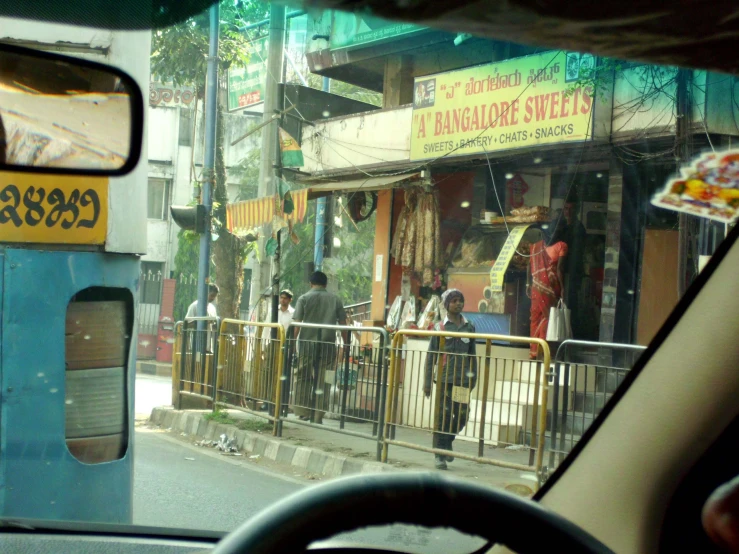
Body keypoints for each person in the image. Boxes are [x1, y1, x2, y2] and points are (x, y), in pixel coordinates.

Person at [423, 289, 478, 470]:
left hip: (462, 381)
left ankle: (447, 442)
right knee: (443, 417)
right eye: (454, 301)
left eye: (460, 301)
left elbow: (472, 356)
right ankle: (439, 454)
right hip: (444, 380)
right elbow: (431, 356)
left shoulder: (469, 327)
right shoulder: (439, 327)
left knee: (462, 416)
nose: (458, 304)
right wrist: (427, 382)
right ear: (447, 305)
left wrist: (473, 378)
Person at [291, 272, 347, 424]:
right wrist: (346, 344)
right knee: (324, 381)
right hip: (328, 345)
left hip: (306, 346)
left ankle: (303, 411)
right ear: (325, 284)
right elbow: (343, 325)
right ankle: (317, 416)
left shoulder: (303, 299)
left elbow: (296, 325)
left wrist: (291, 345)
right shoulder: (335, 299)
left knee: (302, 376)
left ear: (311, 283)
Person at [528, 219, 568, 359]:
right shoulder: (561, 246)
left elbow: (530, 267)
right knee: (548, 319)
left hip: (536, 288)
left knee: (536, 319)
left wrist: (529, 284)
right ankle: (545, 354)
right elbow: (560, 270)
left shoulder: (535, 247)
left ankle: (535, 352)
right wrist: (563, 289)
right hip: (551, 289)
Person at [561, 200, 587, 338]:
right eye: (566, 208)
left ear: (575, 210)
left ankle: (571, 337)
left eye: (571, 208)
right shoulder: (563, 225)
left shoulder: (579, 228)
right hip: (562, 271)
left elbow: (576, 253)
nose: (568, 211)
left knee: (571, 305)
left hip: (572, 272)